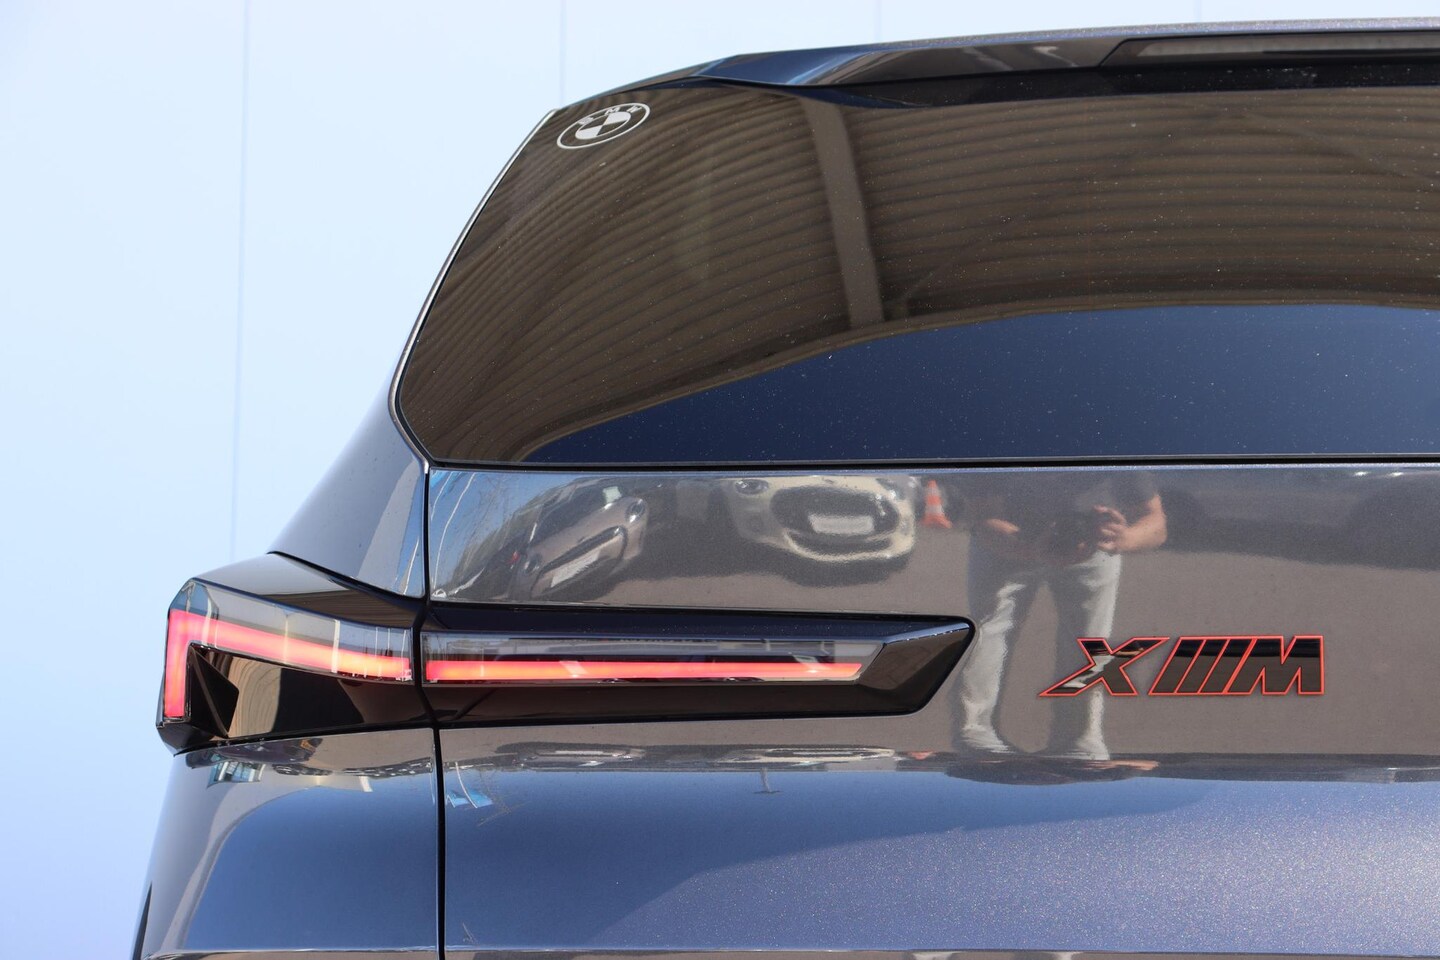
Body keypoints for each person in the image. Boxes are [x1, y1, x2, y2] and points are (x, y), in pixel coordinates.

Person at [954, 472, 1167, 759]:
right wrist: (1029, 547)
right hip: (1008, 539)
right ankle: (976, 732)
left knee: (1088, 641)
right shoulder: (1003, 442)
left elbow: (1156, 523)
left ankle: (1079, 739)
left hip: (1093, 547)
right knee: (989, 631)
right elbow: (981, 519)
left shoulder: (1113, 450)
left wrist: (1123, 537)